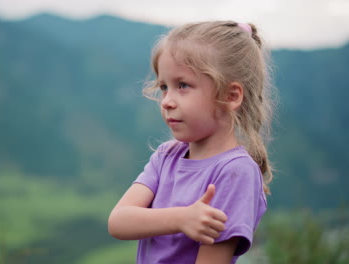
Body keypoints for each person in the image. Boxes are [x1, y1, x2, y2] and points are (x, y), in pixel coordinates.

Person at [108, 21, 274, 264]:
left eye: (182, 85)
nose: (166, 101)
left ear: (231, 96)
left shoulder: (235, 172)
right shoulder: (166, 156)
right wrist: (182, 219)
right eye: (164, 87)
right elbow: (118, 221)